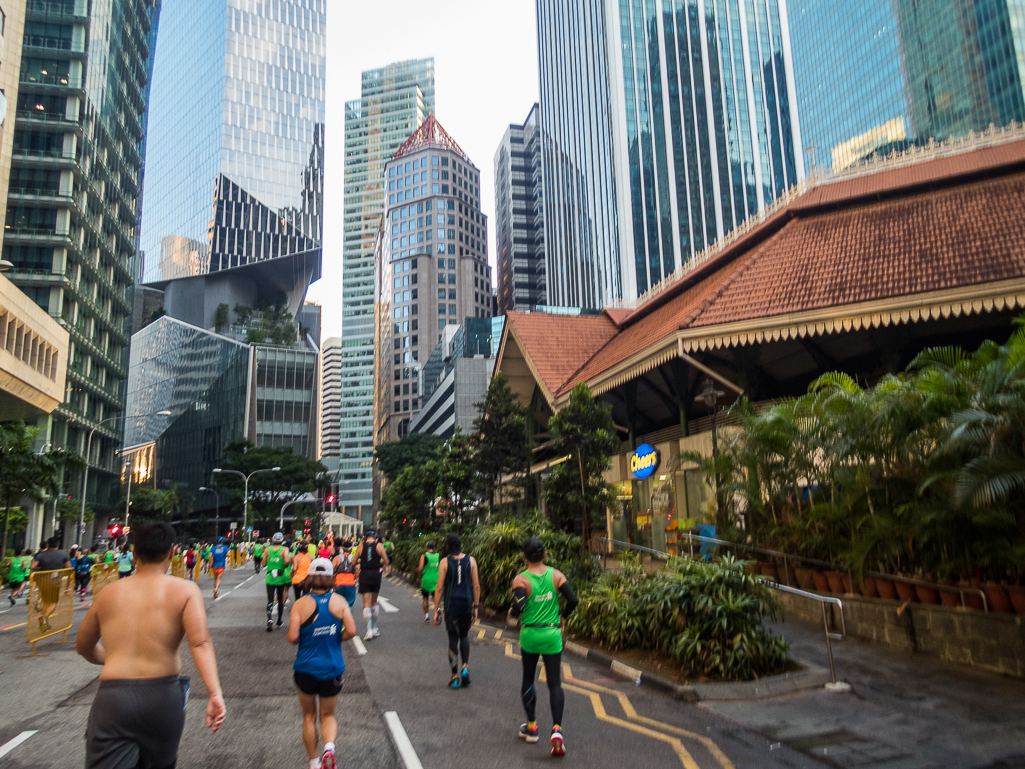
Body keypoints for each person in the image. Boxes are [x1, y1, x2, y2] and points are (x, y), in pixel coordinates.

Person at [76, 523, 226, 768]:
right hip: (163, 696)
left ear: (133, 554)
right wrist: (214, 693)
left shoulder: (108, 593)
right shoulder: (186, 590)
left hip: (113, 699)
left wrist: (112, 658)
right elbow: (199, 643)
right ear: (171, 552)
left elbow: (83, 646)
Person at [508, 537, 579, 757]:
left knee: (528, 679)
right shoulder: (556, 575)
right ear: (544, 555)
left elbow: (519, 605)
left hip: (530, 634)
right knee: (555, 683)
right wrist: (563, 616)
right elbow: (573, 600)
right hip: (551, 634)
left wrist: (513, 611)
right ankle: (557, 730)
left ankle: (531, 728)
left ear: (524, 556)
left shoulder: (521, 579)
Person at [288, 558, 356, 769]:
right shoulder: (339, 603)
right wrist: (336, 638)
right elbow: (352, 631)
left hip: (305, 668)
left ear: (309, 577)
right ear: (330, 577)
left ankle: (314, 763)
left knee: (309, 716)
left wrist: (306, 637)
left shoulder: (300, 605)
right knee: (328, 715)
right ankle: (329, 748)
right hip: (332, 667)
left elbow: (292, 637)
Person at [432, 534, 479, 689]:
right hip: (466, 604)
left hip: (451, 605)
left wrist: (436, 609)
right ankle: (465, 667)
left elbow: (439, 587)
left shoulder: (445, 562)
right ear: (461, 545)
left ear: (447, 546)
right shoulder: (471, 561)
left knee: (453, 638)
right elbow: (476, 586)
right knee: (464, 635)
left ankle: (454, 677)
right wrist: (476, 606)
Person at [353, 530, 389, 641]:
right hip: (375, 574)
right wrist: (378, 562)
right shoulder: (379, 546)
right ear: (375, 537)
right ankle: (374, 628)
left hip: (364, 574)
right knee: (374, 601)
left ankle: (368, 630)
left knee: (366, 603)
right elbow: (386, 561)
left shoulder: (360, 546)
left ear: (365, 537)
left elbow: (353, 562)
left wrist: (362, 562)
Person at [31, 536, 71, 631]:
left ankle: (47, 624)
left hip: (43, 582)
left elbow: (32, 566)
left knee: (45, 602)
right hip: (55, 582)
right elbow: (68, 568)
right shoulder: (63, 554)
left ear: (48, 545)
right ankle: (45, 616)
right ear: (58, 545)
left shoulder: (41, 555)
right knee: (53, 603)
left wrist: (40, 569)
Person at [263, 532, 293, 632]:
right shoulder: (284, 549)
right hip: (280, 577)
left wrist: (270, 562)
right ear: (281, 540)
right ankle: (279, 620)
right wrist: (283, 563)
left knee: (270, 599)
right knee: (280, 600)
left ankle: (269, 618)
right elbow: (286, 563)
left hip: (270, 576)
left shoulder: (267, 549)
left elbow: (263, 564)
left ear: (273, 539)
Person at [418, 541, 440, 623]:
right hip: (435, 580)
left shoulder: (424, 556)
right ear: (434, 547)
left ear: (426, 547)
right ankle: (437, 610)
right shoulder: (438, 556)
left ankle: (427, 616)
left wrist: (420, 577)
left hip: (426, 580)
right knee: (435, 597)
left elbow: (420, 569)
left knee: (425, 598)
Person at [332, 544, 356, 608]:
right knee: (349, 605)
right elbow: (359, 570)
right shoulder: (353, 558)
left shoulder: (337, 558)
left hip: (338, 583)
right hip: (350, 582)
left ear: (342, 549)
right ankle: (347, 616)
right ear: (351, 549)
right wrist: (355, 577)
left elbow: (330, 568)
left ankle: (339, 617)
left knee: (338, 603)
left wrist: (333, 577)